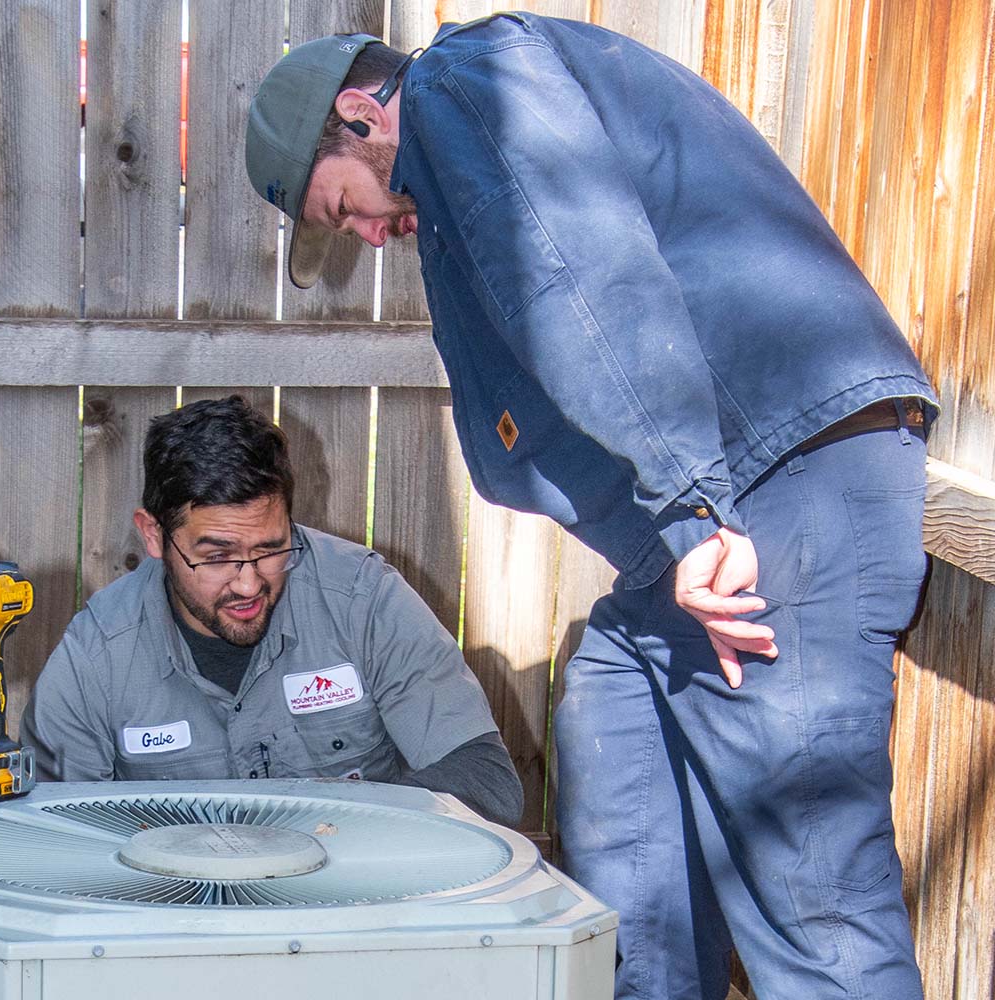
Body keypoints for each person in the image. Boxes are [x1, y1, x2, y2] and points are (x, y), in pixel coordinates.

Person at [245, 14, 936, 1000]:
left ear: (357, 114)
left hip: (776, 481)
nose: (364, 232)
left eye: (338, 206)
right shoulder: (464, 133)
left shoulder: (463, 83)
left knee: (806, 888)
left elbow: (585, 273)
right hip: (725, 494)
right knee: (612, 714)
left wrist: (692, 511)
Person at [21, 395, 523, 828]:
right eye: (215, 557)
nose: (248, 582)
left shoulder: (363, 598)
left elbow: (485, 781)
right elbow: (49, 831)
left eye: (271, 548)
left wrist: (321, 835)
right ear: (153, 535)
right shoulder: (96, 654)